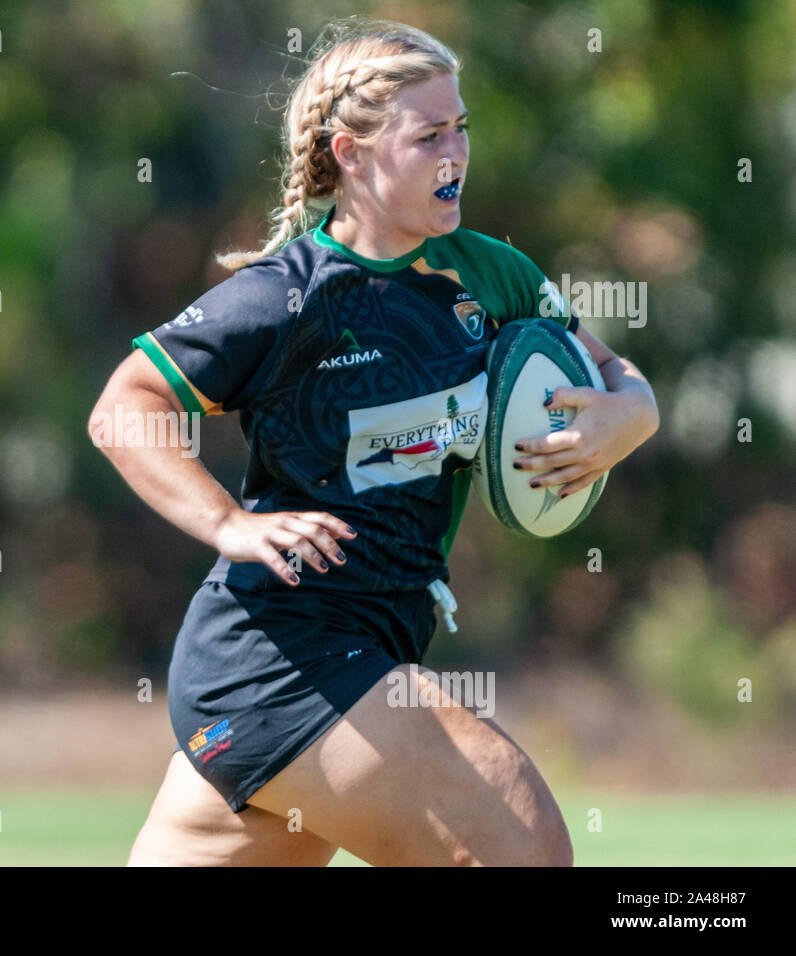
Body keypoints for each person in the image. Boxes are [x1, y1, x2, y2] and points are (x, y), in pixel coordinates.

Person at [91, 18, 658, 865]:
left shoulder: (493, 274)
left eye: (461, 126)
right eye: (428, 134)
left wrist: (627, 420)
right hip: (280, 661)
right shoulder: (285, 296)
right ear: (350, 153)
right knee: (523, 850)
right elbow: (122, 407)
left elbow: (619, 378)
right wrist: (227, 524)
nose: (455, 150)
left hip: (361, 649)